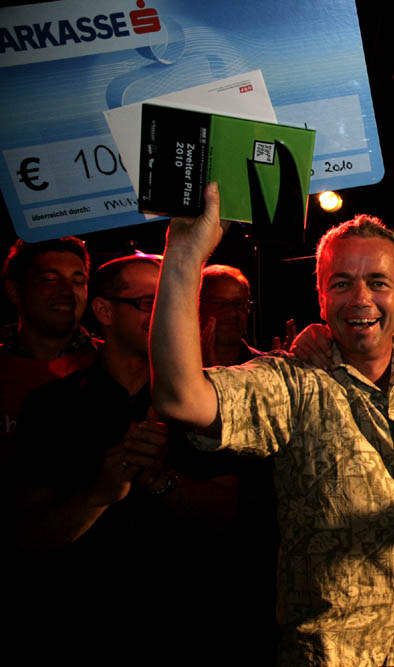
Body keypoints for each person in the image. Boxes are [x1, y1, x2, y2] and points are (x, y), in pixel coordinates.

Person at [150, 184, 394, 666]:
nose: (361, 298)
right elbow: (180, 396)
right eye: (342, 283)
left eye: (378, 282)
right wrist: (184, 255)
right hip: (342, 653)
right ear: (321, 298)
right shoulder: (295, 386)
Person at [14, 254, 242, 663]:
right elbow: (30, 534)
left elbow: (234, 513)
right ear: (103, 311)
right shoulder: (52, 407)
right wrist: (100, 493)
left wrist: (162, 479)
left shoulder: (205, 402)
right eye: (147, 303)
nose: (164, 314)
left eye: (171, 301)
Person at [1, 237, 98, 449]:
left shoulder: (110, 364)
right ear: (14, 291)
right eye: (49, 279)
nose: (67, 291)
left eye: (78, 281)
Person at [199, 264, 267, 366]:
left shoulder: (263, 366)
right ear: (197, 307)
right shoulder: (177, 365)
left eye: (239, 304)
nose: (232, 312)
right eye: (220, 303)